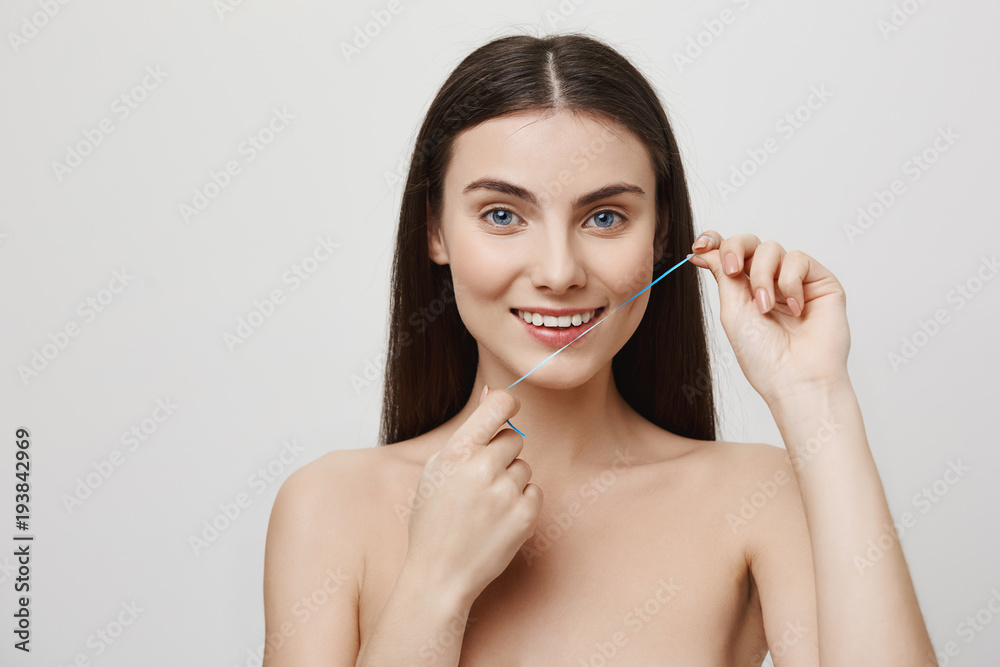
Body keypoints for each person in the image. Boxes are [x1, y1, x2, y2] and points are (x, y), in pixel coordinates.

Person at [262, 32, 936, 666]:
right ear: (435, 230)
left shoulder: (758, 497)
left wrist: (816, 397)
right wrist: (434, 583)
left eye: (605, 216)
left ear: (661, 234)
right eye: (503, 214)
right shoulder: (328, 507)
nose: (559, 271)